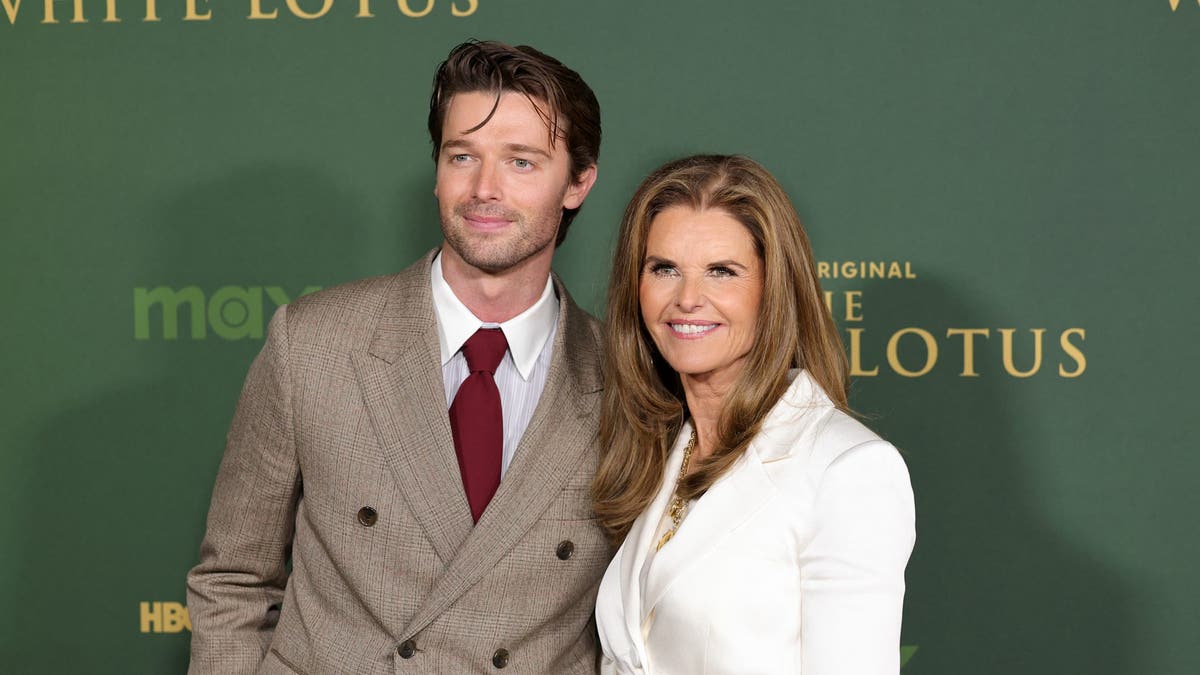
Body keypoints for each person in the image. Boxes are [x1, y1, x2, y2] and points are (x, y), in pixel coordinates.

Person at [187, 40, 611, 674]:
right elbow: (233, 579)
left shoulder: (628, 377)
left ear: (577, 182)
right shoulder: (314, 344)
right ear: (437, 169)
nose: (484, 189)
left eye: (521, 162)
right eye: (462, 155)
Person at [592, 155, 916, 674]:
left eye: (722, 272)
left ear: (774, 291)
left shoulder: (847, 470)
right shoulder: (660, 447)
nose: (687, 299)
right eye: (664, 269)